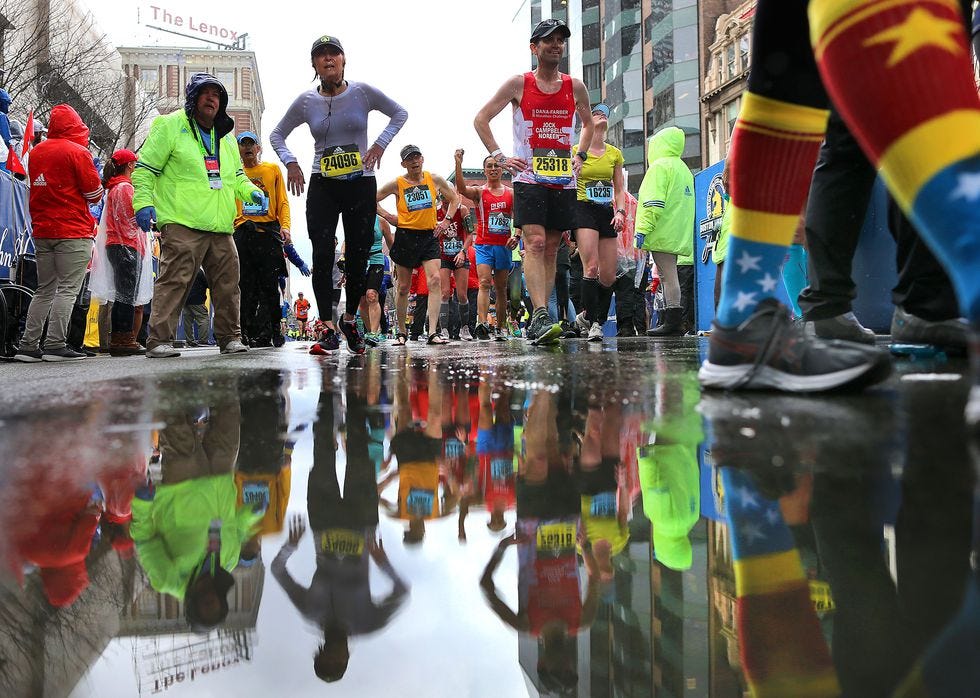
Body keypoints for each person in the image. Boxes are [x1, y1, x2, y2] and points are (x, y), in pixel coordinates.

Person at [271, 35, 408, 355]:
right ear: (314, 65)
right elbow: (277, 134)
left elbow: (399, 113)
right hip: (323, 183)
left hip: (361, 182)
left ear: (344, 60)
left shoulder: (361, 92)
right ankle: (329, 329)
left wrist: (379, 144)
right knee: (322, 254)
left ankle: (349, 321)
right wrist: (291, 162)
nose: (328, 58)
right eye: (321, 55)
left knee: (358, 255)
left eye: (334, 53)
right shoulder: (306, 101)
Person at [474, 18, 595, 345]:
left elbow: (588, 124)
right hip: (528, 179)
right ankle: (540, 315)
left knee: (553, 247)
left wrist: (580, 156)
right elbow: (481, 119)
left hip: (562, 181)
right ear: (534, 48)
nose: (556, 45)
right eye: (548, 40)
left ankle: (542, 316)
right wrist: (499, 155)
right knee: (536, 243)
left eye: (560, 40)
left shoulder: (575, 87)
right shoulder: (519, 84)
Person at [133, 73, 263, 358]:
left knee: (229, 284)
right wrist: (142, 201)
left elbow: (237, 177)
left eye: (216, 95)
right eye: (204, 93)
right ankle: (159, 340)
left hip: (220, 226)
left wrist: (250, 191)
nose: (211, 99)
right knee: (174, 281)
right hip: (182, 222)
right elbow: (145, 169)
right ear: (192, 98)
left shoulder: (228, 140)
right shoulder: (169, 126)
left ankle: (230, 337)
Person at [14, 104, 103, 363]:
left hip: (42, 229)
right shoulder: (78, 152)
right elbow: (94, 193)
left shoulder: (37, 151)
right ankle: (55, 344)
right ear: (76, 126)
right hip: (73, 229)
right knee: (67, 290)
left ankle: (28, 345)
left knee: (44, 289)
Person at [376, 144, 461, 346]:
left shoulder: (435, 179)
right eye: (409, 159)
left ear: (422, 159)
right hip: (406, 236)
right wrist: (388, 216)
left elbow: (454, 199)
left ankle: (432, 332)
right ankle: (402, 332)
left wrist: (447, 221)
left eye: (417, 157)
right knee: (404, 287)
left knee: (434, 281)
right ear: (403, 164)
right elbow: (373, 199)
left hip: (429, 236)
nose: (414, 161)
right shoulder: (397, 183)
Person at [571, 103, 627, 341]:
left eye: (605, 112)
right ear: (586, 122)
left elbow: (619, 189)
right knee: (591, 268)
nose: (601, 114)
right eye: (595, 112)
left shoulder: (614, 153)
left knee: (609, 277)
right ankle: (596, 323)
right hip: (583, 209)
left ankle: (586, 316)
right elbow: (568, 185)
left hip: (606, 212)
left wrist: (621, 212)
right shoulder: (576, 150)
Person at [634, 126, 694, 337]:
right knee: (670, 275)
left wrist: (642, 229)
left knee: (668, 276)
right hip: (677, 230)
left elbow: (652, 203)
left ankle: (673, 322)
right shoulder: (683, 168)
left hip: (662, 231)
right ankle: (674, 321)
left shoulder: (660, 167)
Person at [454, 149, 520, 341]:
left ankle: (499, 328)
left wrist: (517, 235)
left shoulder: (511, 193)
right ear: (484, 170)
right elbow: (461, 188)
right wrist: (458, 163)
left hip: (504, 247)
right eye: (489, 166)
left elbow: (519, 217)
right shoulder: (479, 192)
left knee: (501, 288)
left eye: (496, 166)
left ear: (501, 170)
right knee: (484, 283)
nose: (493, 169)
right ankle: (482, 324)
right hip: (483, 244)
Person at [92, 149, 153, 356]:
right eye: (135, 164)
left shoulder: (114, 188)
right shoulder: (125, 188)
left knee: (122, 294)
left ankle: (119, 337)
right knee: (127, 294)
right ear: (130, 166)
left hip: (116, 244)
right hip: (126, 244)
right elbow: (130, 218)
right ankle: (124, 338)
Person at [234, 131, 291, 347]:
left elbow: (283, 202)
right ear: (238, 149)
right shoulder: (235, 171)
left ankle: (274, 330)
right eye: (243, 144)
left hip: (268, 234)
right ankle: (245, 331)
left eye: (251, 144)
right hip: (243, 233)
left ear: (258, 148)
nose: (247, 148)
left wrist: (285, 227)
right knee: (245, 287)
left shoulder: (272, 170)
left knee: (269, 286)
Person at [435, 195, 474, 341]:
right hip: (443, 257)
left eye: (448, 197)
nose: (445, 200)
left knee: (462, 295)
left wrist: (463, 251)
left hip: (460, 256)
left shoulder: (462, 210)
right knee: (444, 293)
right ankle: (444, 330)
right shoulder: (436, 211)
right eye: (443, 197)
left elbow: (470, 234)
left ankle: (465, 328)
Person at [360, 215, 394, 346]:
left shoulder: (381, 222)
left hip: (376, 260)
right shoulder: (354, 217)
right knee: (362, 301)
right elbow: (347, 241)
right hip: (360, 261)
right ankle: (369, 331)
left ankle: (374, 333)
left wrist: (399, 262)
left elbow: (391, 244)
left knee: (372, 295)